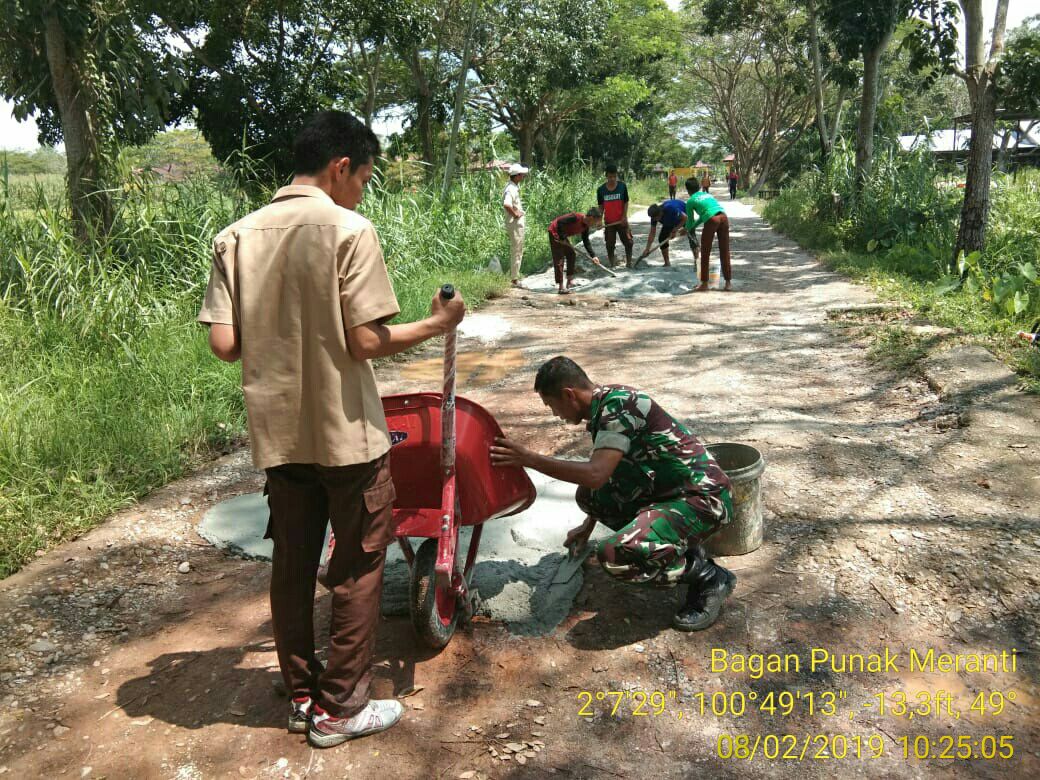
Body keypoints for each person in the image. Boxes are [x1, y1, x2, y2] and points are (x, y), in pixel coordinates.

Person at [197, 110, 466, 748]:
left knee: (292, 563)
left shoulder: (236, 236)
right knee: (357, 563)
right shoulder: (350, 229)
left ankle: (299, 692)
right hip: (346, 436)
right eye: (364, 178)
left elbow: (225, 345)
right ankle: (342, 708)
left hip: (279, 436)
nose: (362, 191)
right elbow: (366, 340)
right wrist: (438, 323)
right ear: (341, 166)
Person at [490, 357, 736, 631]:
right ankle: (676, 544)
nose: (554, 414)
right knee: (589, 497)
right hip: (673, 492)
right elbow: (611, 477)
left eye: (552, 405)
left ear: (568, 394)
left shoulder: (618, 407)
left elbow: (596, 473)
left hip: (704, 499)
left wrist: (530, 459)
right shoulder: (606, 406)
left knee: (616, 555)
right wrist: (587, 526)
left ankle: (709, 577)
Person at [685, 177, 731, 291]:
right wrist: (691, 227)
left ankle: (704, 284)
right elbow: (704, 216)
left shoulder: (690, 201)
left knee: (705, 252)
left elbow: (690, 222)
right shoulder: (707, 195)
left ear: (688, 190)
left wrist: (686, 229)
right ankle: (728, 283)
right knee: (725, 250)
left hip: (712, 220)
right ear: (699, 186)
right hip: (724, 217)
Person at [548, 207, 604, 294]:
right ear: (592, 217)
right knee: (559, 258)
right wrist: (562, 237)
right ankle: (561, 287)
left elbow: (586, 241)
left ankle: (569, 282)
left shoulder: (586, 226)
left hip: (563, 235)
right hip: (555, 232)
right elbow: (560, 222)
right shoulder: (575, 217)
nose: (596, 224)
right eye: (596, 221)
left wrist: (593, 256)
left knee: (571, 254)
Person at [596, 163, 633, 269]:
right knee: (609, 244)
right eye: (610, 176)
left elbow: (626, 202)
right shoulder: (601, 190)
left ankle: (629, 263)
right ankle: (612, 264)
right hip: (609, 222)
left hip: (621, 221)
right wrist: (599, 220)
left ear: (616, 175)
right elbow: (601, 206)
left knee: (629, 242)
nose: (612, 179)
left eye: (614, 176)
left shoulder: (622, 186)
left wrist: (624, 216)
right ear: (606, 176)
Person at [638, 199, 687, 267]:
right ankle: (667, 263)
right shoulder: (654, 216)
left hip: (684, 214)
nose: (654, 220)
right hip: (670, 220)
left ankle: (697, 261)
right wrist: (647, 249)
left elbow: (685, 218)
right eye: (653, 218)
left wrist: (675, 230)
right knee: (662, 238)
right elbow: (652, 233)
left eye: (655, 218)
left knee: (690, 234)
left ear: (660, 213)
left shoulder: (670, 209)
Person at [503, 163, 529, 287]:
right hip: (515, 224)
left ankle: (514, 276)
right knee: (517, 250)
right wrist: (515, 214)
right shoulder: (511, 189)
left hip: (515, 223)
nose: (523, 176)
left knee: (517, 249)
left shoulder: (512, 187)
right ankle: (514, 279)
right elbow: (507, 204)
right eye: (521, 174)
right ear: (516, 176)